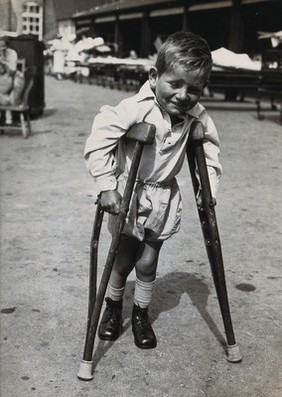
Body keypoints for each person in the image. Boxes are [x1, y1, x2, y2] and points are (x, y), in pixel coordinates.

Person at [84, 32, 222, 349]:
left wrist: (208, 188)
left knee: (147, 263)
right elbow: (98, 141)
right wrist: (106, 185)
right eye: (175, 84)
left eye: (195, 89)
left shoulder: (196, 114)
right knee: (122, 260)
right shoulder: (135, 107)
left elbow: (211, 152)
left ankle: (141, 314)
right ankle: (114, 307)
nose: (184, 96)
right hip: (129, 194)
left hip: (164, 196)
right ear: (154, 76)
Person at [0, 36, 25, 124]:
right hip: (2, 80)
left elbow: (12, 70)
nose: (2, 49)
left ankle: (7, 101)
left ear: (7, 45)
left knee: (18, 79)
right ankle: (8, 101)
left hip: (11, 77)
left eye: (3, 46)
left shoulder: (12, 53)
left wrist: (4, 63)